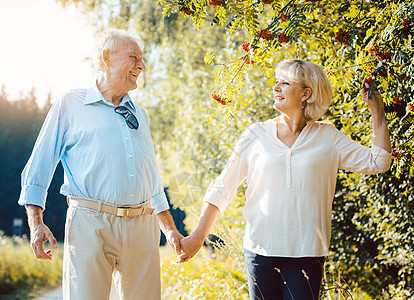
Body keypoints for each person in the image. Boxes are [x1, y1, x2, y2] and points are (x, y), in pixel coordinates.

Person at [177, 59, 392, 300]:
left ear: (305, 93)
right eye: (276, 82)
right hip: (260, 252)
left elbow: (379, 162)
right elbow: (222, 187)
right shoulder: (255, 134)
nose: (276, 87)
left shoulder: (327, 137)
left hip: (306, 254)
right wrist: (197, 238)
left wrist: (377, 110)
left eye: (285, 83)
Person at [18, 29, 183, 300]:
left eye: (142, 60)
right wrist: (36, 223)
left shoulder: (138, 113)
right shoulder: (71, 104)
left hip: (142, 227)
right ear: (106, 57)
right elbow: (38, 168)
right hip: (90, 223)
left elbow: (151, 177)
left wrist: (170, 230)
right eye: (133, 58)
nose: (141, 66)